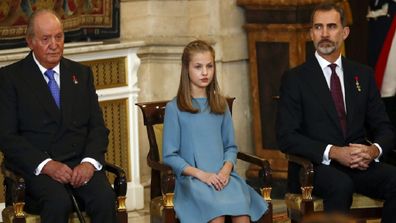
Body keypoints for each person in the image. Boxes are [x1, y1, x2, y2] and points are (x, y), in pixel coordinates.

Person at [276, 2, 396, 222]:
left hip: (358, 164)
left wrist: (373, 151)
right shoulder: (295, 79)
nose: (324, 34)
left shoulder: (363, 75)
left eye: (331, 26)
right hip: (316, 167)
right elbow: (286, 137)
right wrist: (333, 152)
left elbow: (384, 128)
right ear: (311, 33)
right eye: (318, 27)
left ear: (345, 32)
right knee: (341, 185)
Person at [0, 9, 116, 223]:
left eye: (59, 37)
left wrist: (89, 163)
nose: (54, 44)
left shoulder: (81, 74)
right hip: (39, 170)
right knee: (58, 202)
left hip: (79, 164)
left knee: (105, 198)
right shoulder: (10, 78)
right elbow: (7, 137)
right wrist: (47, 165)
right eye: (46, 39)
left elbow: (98, 128)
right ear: (30, 41)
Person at [162, 40, 268, 223]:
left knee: (242, 213)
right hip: (194, 181)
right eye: (198, 67)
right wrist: (203, 175)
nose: (205, 72)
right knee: (215, 214)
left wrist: (226, 171)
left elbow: (231, 147)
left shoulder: (220, 105)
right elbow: (170, 156)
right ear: (186, 68)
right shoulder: (175, 108)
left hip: (224, 177)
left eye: (209, 66)